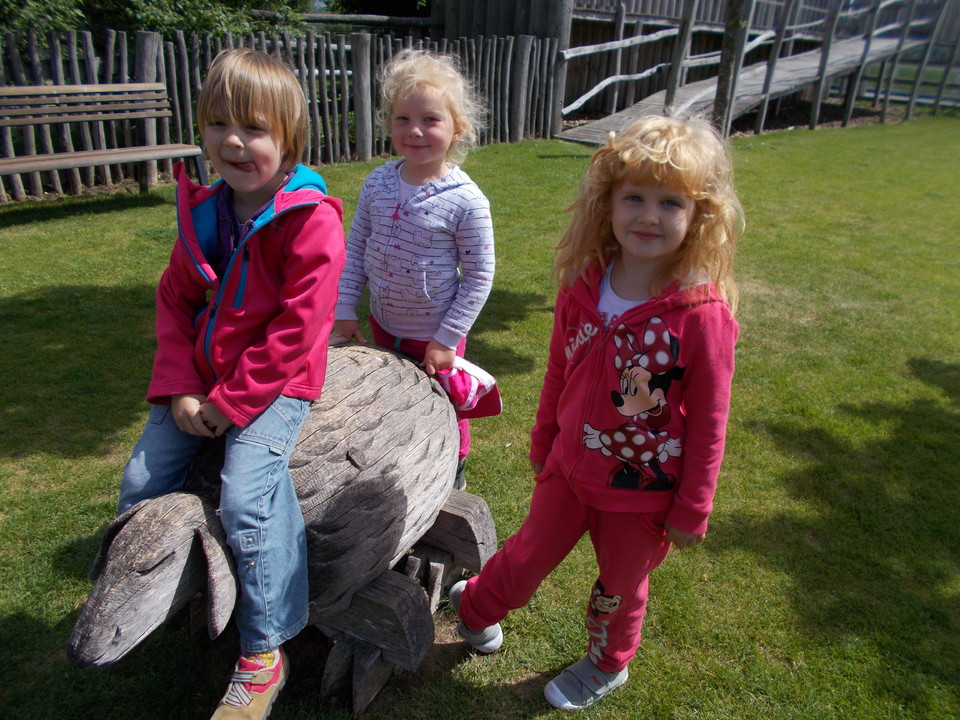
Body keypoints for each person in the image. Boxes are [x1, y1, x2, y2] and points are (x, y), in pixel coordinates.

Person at [449, 114, 743, 711]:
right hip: (568, 468)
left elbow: (712, 419)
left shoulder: (701, 315)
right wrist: (543, 441)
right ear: (607, 202)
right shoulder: (585, 284)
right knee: (526, 555)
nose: (649, 216)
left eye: (670, 202)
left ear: (699, 215)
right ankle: (475, 605)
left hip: (643, 492)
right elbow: (559, 372)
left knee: (619, 589)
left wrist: (693, 506)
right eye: (635, 197)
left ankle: (608, 664)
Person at [116, 48, 345, 720]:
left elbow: (299, 328)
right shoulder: (206, 212)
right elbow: (174, 301)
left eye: (254, 127)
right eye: (219, 123)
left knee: (247, 498)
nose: (234, 142)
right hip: (201, 379)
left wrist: (230, 403)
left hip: (277, 383)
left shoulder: (310, 219)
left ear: (289, 137)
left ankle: (265, 648)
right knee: (140, 483)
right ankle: (151, 594)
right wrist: (181, 387)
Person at [329, 48, 496, 489]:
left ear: (457, 128)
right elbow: (356, 248)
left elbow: (479, 276)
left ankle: (453, 466)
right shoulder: (378, 182)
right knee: (390, 394)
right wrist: (344, 309)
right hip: (384, 323)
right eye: (402, 118)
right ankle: (400, 459)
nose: (415, 130)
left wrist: (446, 338)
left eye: (430, 119)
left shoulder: (466, 200)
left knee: (447, 402)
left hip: (435, 333)